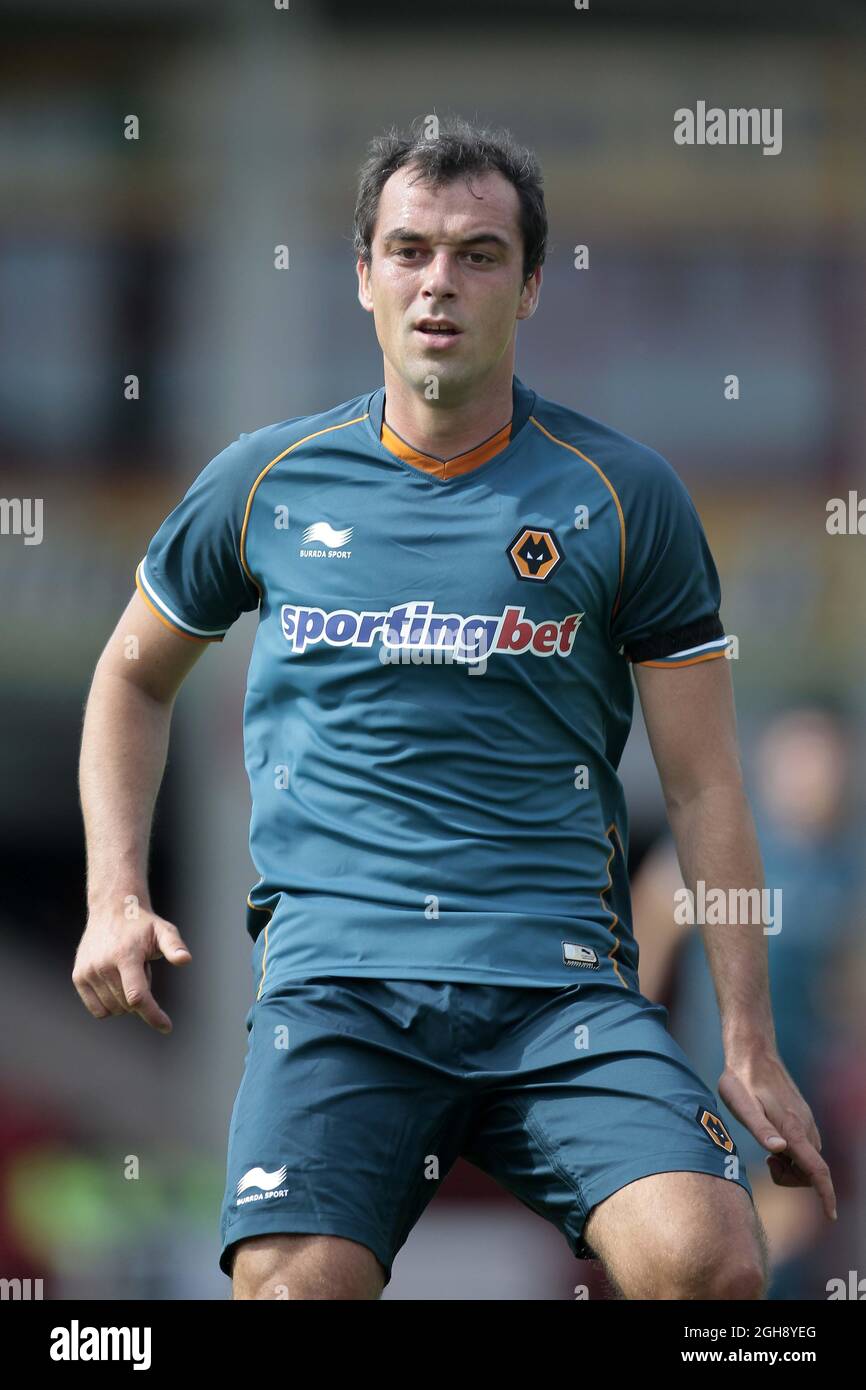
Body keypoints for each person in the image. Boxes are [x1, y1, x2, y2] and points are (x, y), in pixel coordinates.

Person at [74, 115, 834, 1300]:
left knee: (709, 1266)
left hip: (562, 989)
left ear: (530, 287)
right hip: (338, 991)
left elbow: (703, 782)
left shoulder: (625, 495)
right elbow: (130, 675)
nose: (441, 281)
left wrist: (746, 1040)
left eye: (479, 254)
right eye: (411, 248)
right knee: (287, 1290)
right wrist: (114, 896)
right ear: (364, 274)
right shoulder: (261, 482)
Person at [632, 703, 863, 1298]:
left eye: (826, 758)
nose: (815, 773)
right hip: (719, 1107)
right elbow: (639, 953)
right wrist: (636, 1064)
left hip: (811, 1114)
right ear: (768, 762)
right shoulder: (722, 852)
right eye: (800, 756)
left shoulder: (845, 871)